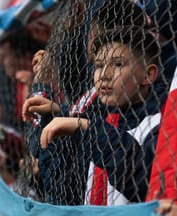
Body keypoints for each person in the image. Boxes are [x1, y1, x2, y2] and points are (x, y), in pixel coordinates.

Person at [40, 27, 161, 204]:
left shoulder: (160, 124)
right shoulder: (101, 122)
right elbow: (60, 186)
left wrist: (88, 129)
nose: (104, 75)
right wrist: (48, 117)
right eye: (98, 66)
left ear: (148, 75)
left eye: (118, 64)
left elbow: (144, 182)